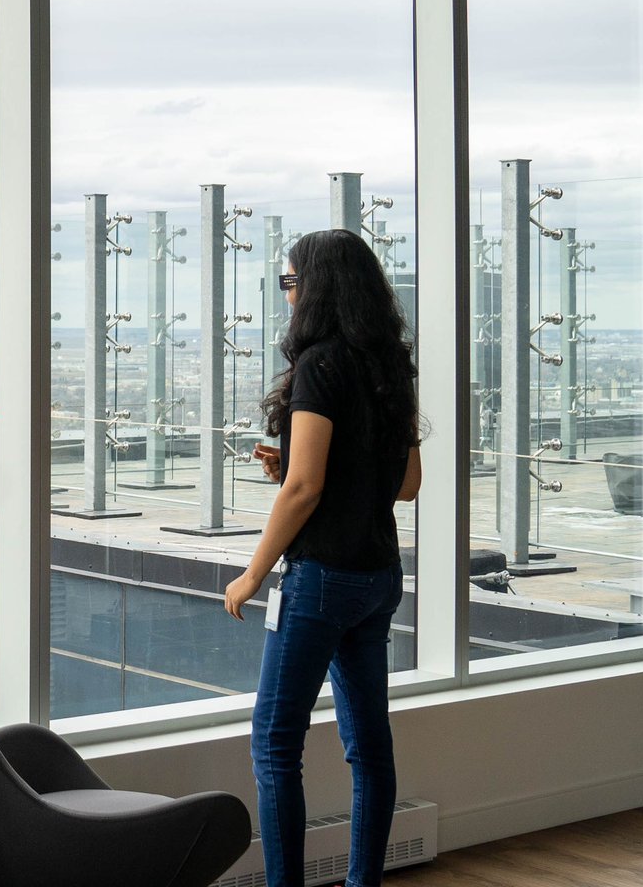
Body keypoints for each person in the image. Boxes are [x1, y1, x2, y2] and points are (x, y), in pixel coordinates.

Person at [223, 228, 421, 887]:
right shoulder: (389, 363)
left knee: (276, 742)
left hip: (321, 579)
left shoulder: (321, 366)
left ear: (314, 289)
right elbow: (406, 482)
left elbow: (304, 488)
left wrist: (252, 574)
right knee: (368, 747)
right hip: (378, 576)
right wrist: (310, 471)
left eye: (289, 281)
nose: (287, 294)